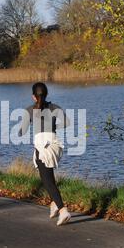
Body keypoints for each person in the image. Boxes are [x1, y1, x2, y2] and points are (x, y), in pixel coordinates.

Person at [19, 82, 71, 226]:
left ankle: (63, 210)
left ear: (33, 96)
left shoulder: (29, 110)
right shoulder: (55, 107)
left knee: (47, 181)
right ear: (46, 94)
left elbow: (21, 131)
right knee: (49, 177)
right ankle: (54, 204)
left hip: (42, 147)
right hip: (54, 144)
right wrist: (53, 126)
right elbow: (67, 123)